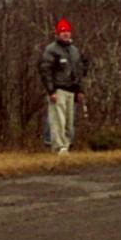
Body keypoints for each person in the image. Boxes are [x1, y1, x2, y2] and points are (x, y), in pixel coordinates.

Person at [39, 18, 89, 154]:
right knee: (57, 120)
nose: (65, 34)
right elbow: (46, 71)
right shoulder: (51, 50)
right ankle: (58, 146)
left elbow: (79, 71)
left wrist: (80, 90)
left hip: (72, 90)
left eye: (67, 31)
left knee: (69, 121)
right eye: (62, 32)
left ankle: (66, 145)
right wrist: (51, 91)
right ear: (57, 34)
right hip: (58, 89)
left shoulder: (74, 50)